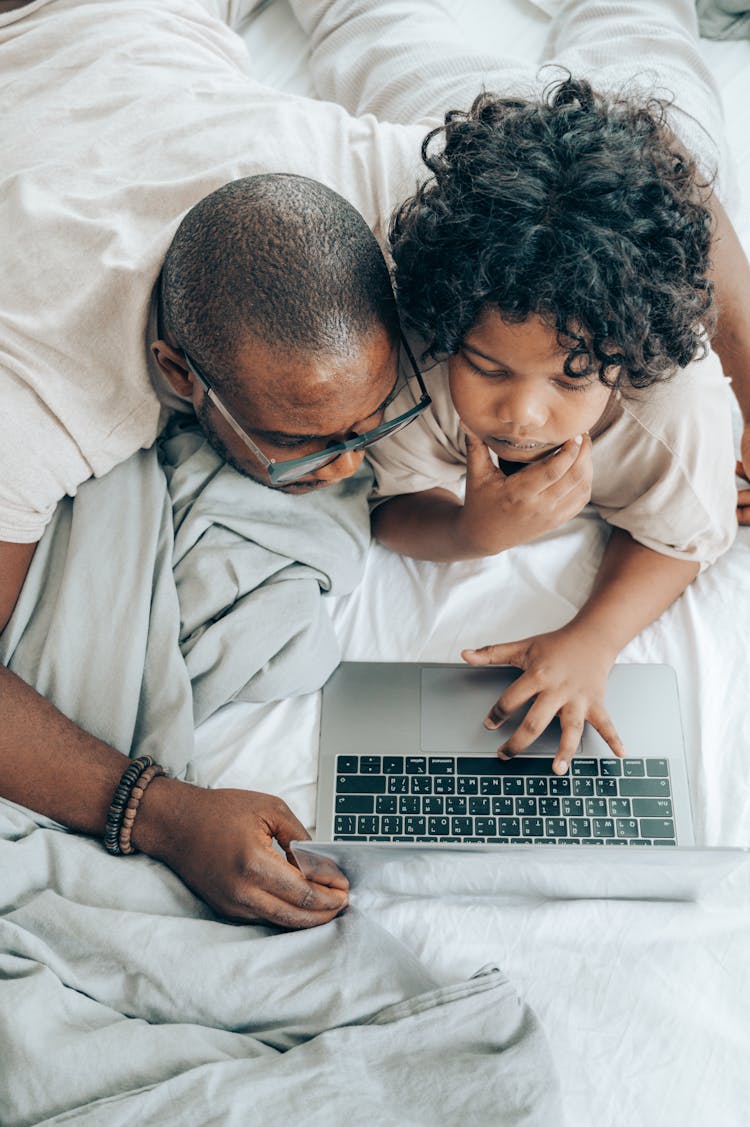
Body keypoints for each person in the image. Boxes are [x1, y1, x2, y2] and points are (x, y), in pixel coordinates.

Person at [1, 0, 749, 926]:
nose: (520, 413)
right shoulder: (40, 388)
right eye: (305, 441)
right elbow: (386, 501)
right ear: (176, 374)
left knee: (623, 76)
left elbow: (659, 178)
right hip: (53, 48)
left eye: (371, 421)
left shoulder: (429, 216)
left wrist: (740, 367)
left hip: (145, 34)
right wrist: (159, 813)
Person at [366, 75, 737, 775]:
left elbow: (683, 537)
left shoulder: (670, 412)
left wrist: (593, 637)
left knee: (660, 60)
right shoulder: (418, 353)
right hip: (450, 99)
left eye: (571, 378)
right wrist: (471, 533)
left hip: (635, 113)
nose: (523, 415)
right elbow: (390, 505)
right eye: (488, 366)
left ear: (623, 361)